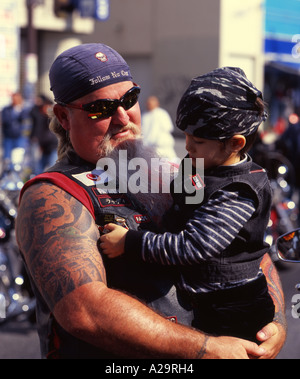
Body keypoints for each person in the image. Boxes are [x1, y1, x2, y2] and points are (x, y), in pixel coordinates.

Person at [16, 44, 286, 359]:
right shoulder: (52, 194)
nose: (122, 117)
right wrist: (204, 349)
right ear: (63, 116)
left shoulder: (179, 170)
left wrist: (273, 324)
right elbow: (85, 310)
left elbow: (245, 246)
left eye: (129, 100)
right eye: (100, 108)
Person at [100, 67, 275, 342]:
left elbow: (193, 247)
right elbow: (178, 206)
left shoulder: (238, 191)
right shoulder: (199, 163)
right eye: (187, 136)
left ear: (235, 143)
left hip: (232, 309)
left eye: (199, 141)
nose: (188, 146)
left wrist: (130, 242)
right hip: (200, 300)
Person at [30, 95, 58, 174]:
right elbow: (32, 113)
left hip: (53, 146)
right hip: (43, 147)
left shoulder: (53, 118)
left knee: (52, 167)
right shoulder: (39, 117)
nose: (46, 109)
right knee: (38, 168)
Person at [1, 92, 31, 165]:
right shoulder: (6, 109)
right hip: (8, 136)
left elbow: (25, 121)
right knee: (7, 158)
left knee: (18, 157)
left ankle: (17, 173)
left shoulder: (24, 110)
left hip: (20, 136)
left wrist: (19, 110)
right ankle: (8, 173)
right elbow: (5, 120)